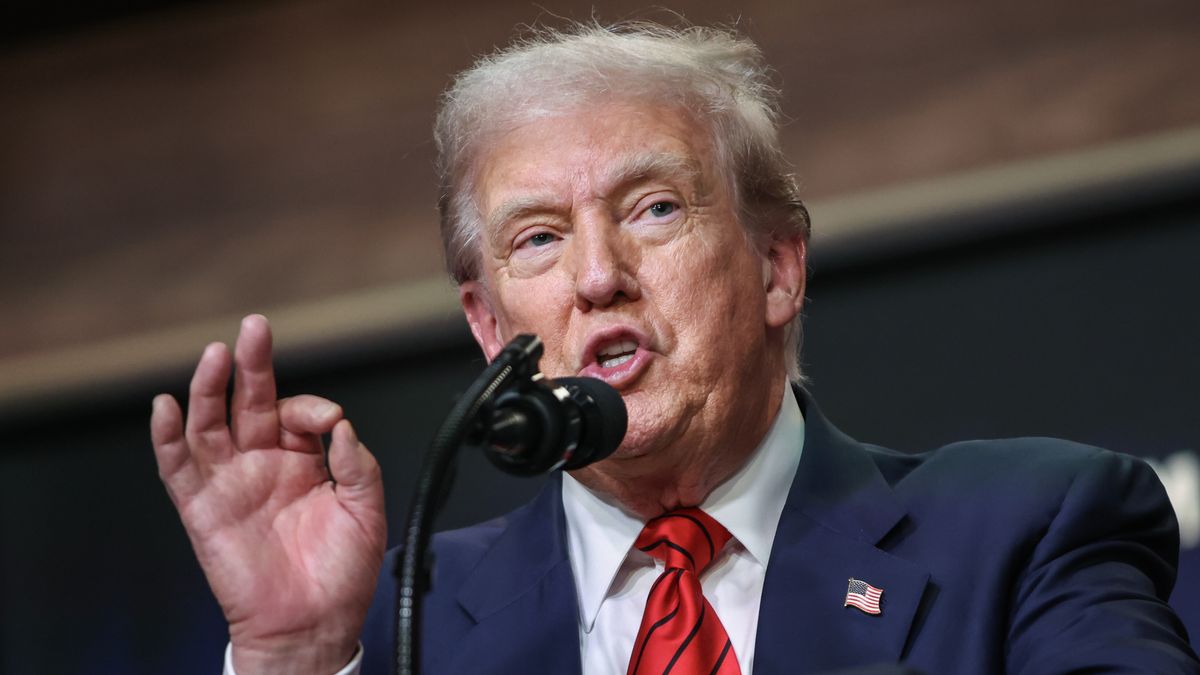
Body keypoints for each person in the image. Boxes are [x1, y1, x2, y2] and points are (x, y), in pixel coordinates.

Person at [150, 22, 1199, 675]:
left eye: (653, 208)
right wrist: (294, 657)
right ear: (489, 327)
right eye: (539, 238)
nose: (597, 275)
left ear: (777, 267)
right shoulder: (387, 629)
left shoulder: (1026, 531)